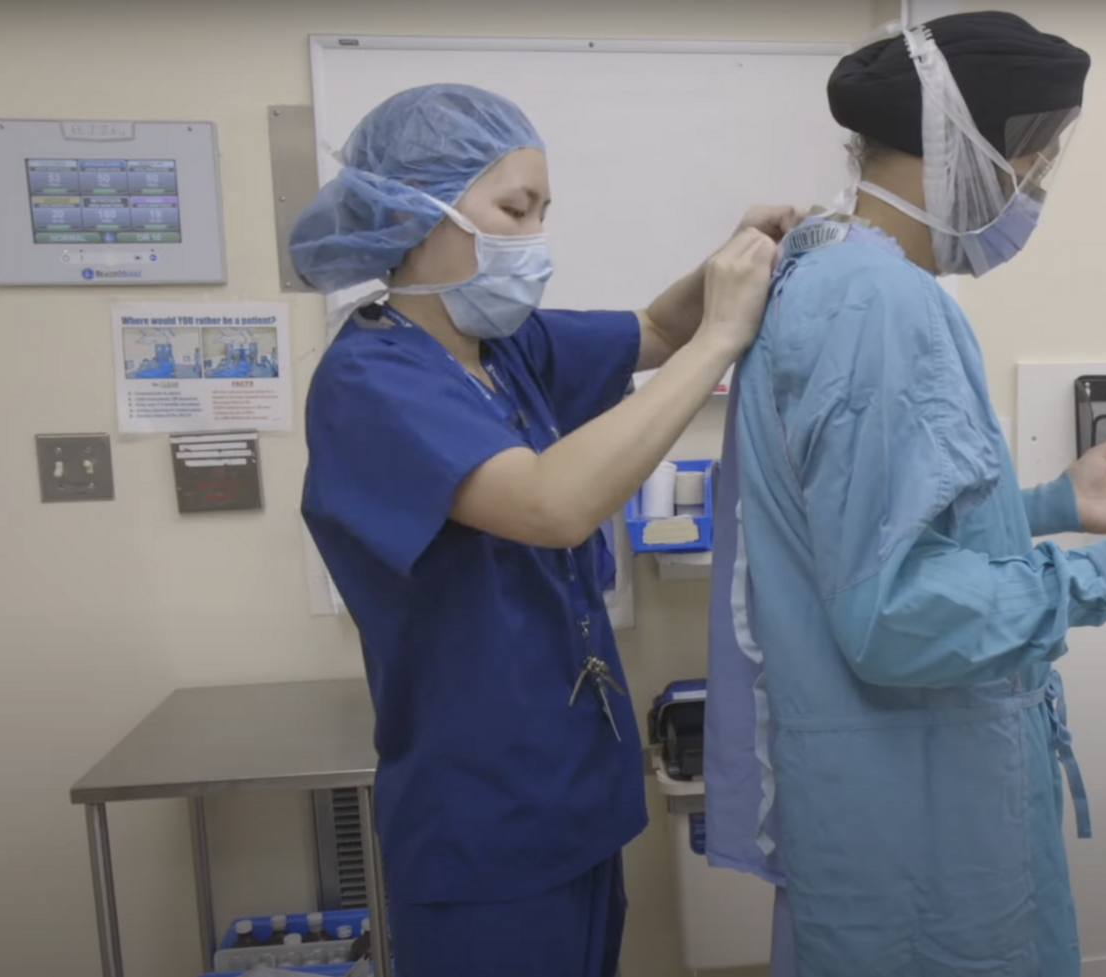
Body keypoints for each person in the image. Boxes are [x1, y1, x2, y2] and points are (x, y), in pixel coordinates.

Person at [703, 14, 1106, 977]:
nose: (1031, 190)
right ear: (958, 147)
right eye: (1030, 162)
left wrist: (1049, 504)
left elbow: (873, 525)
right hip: (914, 818)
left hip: (895, 792)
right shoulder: (878, 304)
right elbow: (893, 614)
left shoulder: (835, 272)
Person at [290, 83, 796, 977]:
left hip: (574, 803)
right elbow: (550, 505)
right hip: (482, 824)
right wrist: (720, 343)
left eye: (543, 211)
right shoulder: (370, 381)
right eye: (512, 209)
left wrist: (731, 263)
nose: (533, 237)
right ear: (414, 213)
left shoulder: (503, 348)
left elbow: (652, 329)